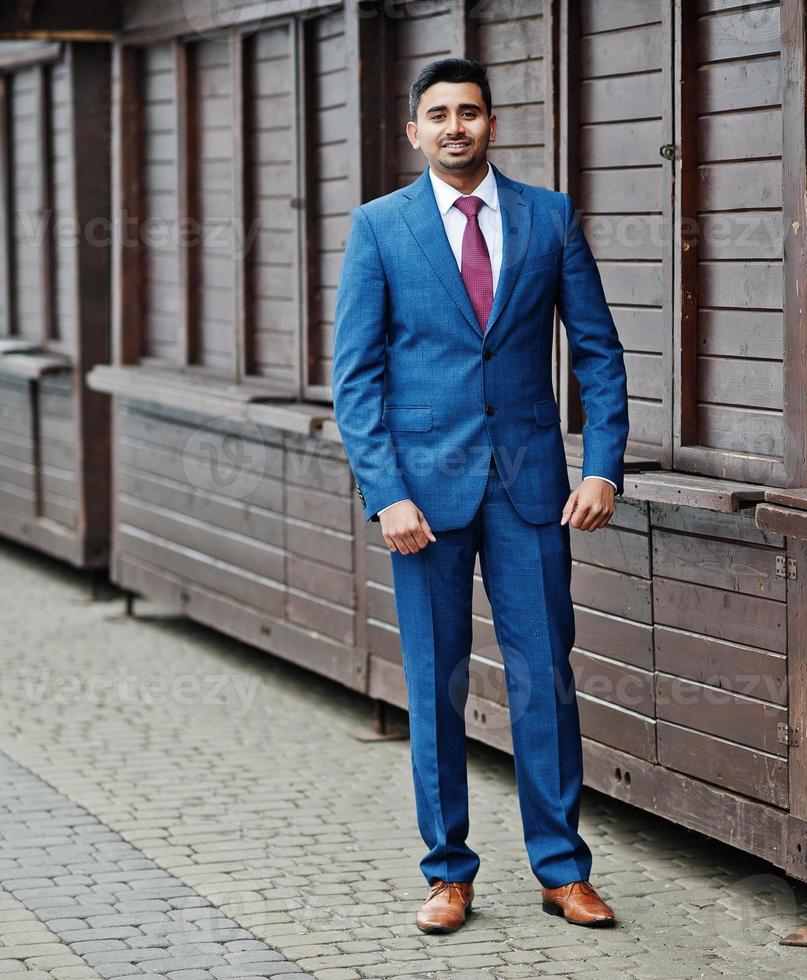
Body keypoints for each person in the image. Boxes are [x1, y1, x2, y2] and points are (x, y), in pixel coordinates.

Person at [330, 57, 629, 934]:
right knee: (436, 684)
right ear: (414, 131)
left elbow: (599, 355)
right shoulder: (379, 228)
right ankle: (448, 874)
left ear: (492, 125)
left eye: (469, 112)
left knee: (545, 681)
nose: (454, 126)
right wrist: (384, 492)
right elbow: (355, 377)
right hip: (421, 501)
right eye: (438, 114)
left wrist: (603, 466)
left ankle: (562, 870)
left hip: (530, 491)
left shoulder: (548, 218)